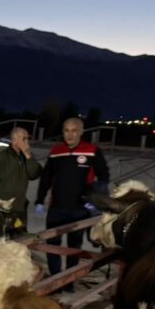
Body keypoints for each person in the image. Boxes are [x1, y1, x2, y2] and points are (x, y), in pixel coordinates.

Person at [34, 117, 109, 290]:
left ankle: (68, 282)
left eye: (74, 130)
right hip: (56, 208)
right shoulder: (56, 151)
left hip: (79, 210)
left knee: (74, 247)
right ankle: (55, 282)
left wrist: (94, 201)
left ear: (81, 132)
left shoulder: (92, 151)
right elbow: (46, 178)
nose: (70, 134)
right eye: (67, 130)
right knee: (52, 246)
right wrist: (39, 200)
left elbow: (103, 177)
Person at [0, 126, 42, 232]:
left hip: (20, 208)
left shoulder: (27, 157)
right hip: (2, 209)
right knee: (1, 240)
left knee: (20, 240)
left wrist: (28, 155)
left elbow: (34, 174)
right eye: (23, 138)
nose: (27, 141)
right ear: (14, 140)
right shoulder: (1, 157)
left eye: (27, 139)